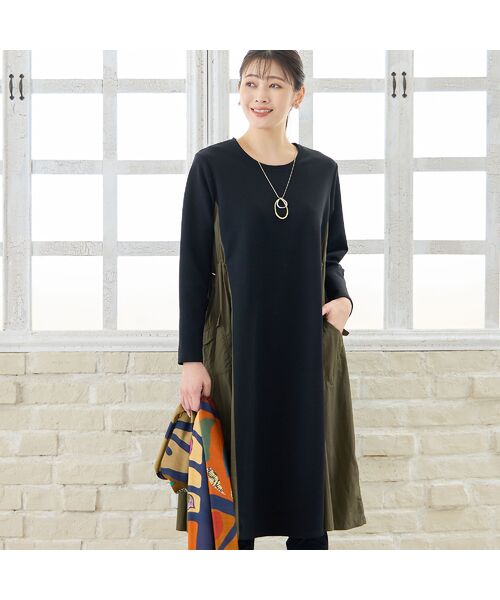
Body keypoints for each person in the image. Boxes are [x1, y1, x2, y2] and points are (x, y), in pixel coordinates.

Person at [177, 50, 365, 550]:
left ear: (297, 95)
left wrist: (343, 301)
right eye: (251, 83)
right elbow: (193, 268)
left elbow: (332, 254)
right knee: (234, 501)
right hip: (234, 350)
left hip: (307, 349)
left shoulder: (322, 170)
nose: (260, 96)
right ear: (239, 90)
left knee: (307, 504)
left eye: (275, 85)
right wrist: (190, 359)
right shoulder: (212, 166)